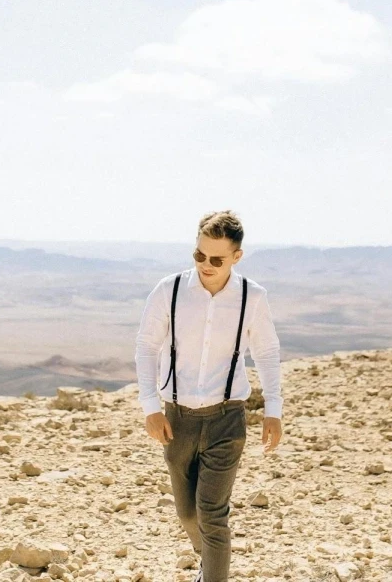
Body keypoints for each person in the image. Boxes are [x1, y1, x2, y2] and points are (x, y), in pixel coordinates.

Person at [135, 210, 284, 582]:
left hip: (227, 418)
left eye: (217, 259)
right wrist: (151, 406)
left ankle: (214, 571)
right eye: (199, 255)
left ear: (237, 256)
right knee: (188, 515)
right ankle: (211, 558)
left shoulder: (253, 297)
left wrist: (273, 410)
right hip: (177, 419)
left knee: (212, 515)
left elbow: (266, 353)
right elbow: (146, 347)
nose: (206, 264)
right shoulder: (168, 290)